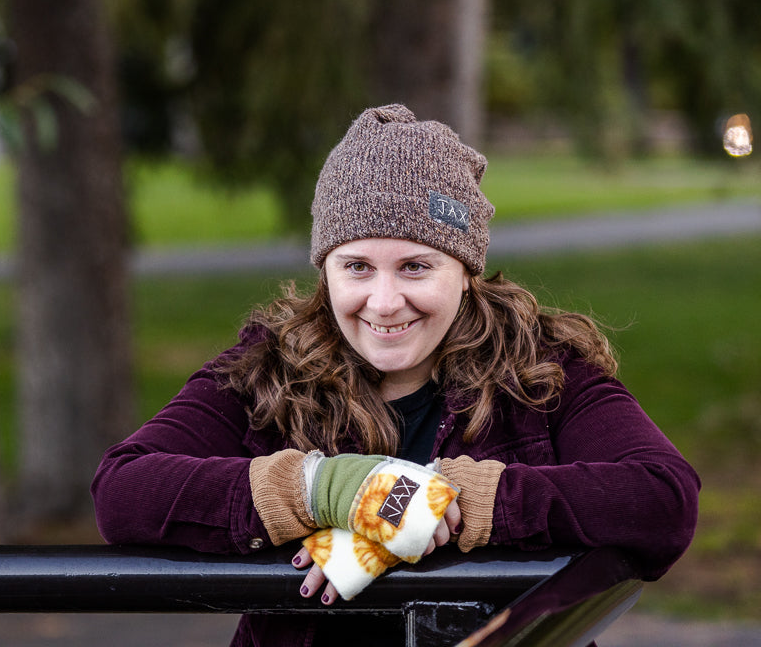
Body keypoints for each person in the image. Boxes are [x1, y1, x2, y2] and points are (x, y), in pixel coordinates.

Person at [91, 103, 700, 646]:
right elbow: (121, 491)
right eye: (356, 266)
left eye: (415, 266)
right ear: (324, 269)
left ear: (465, 270)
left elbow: (663, 499)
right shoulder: (266, 369)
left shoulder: (543, 370)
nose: (384, 302)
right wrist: (325, 489)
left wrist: (464, 501)